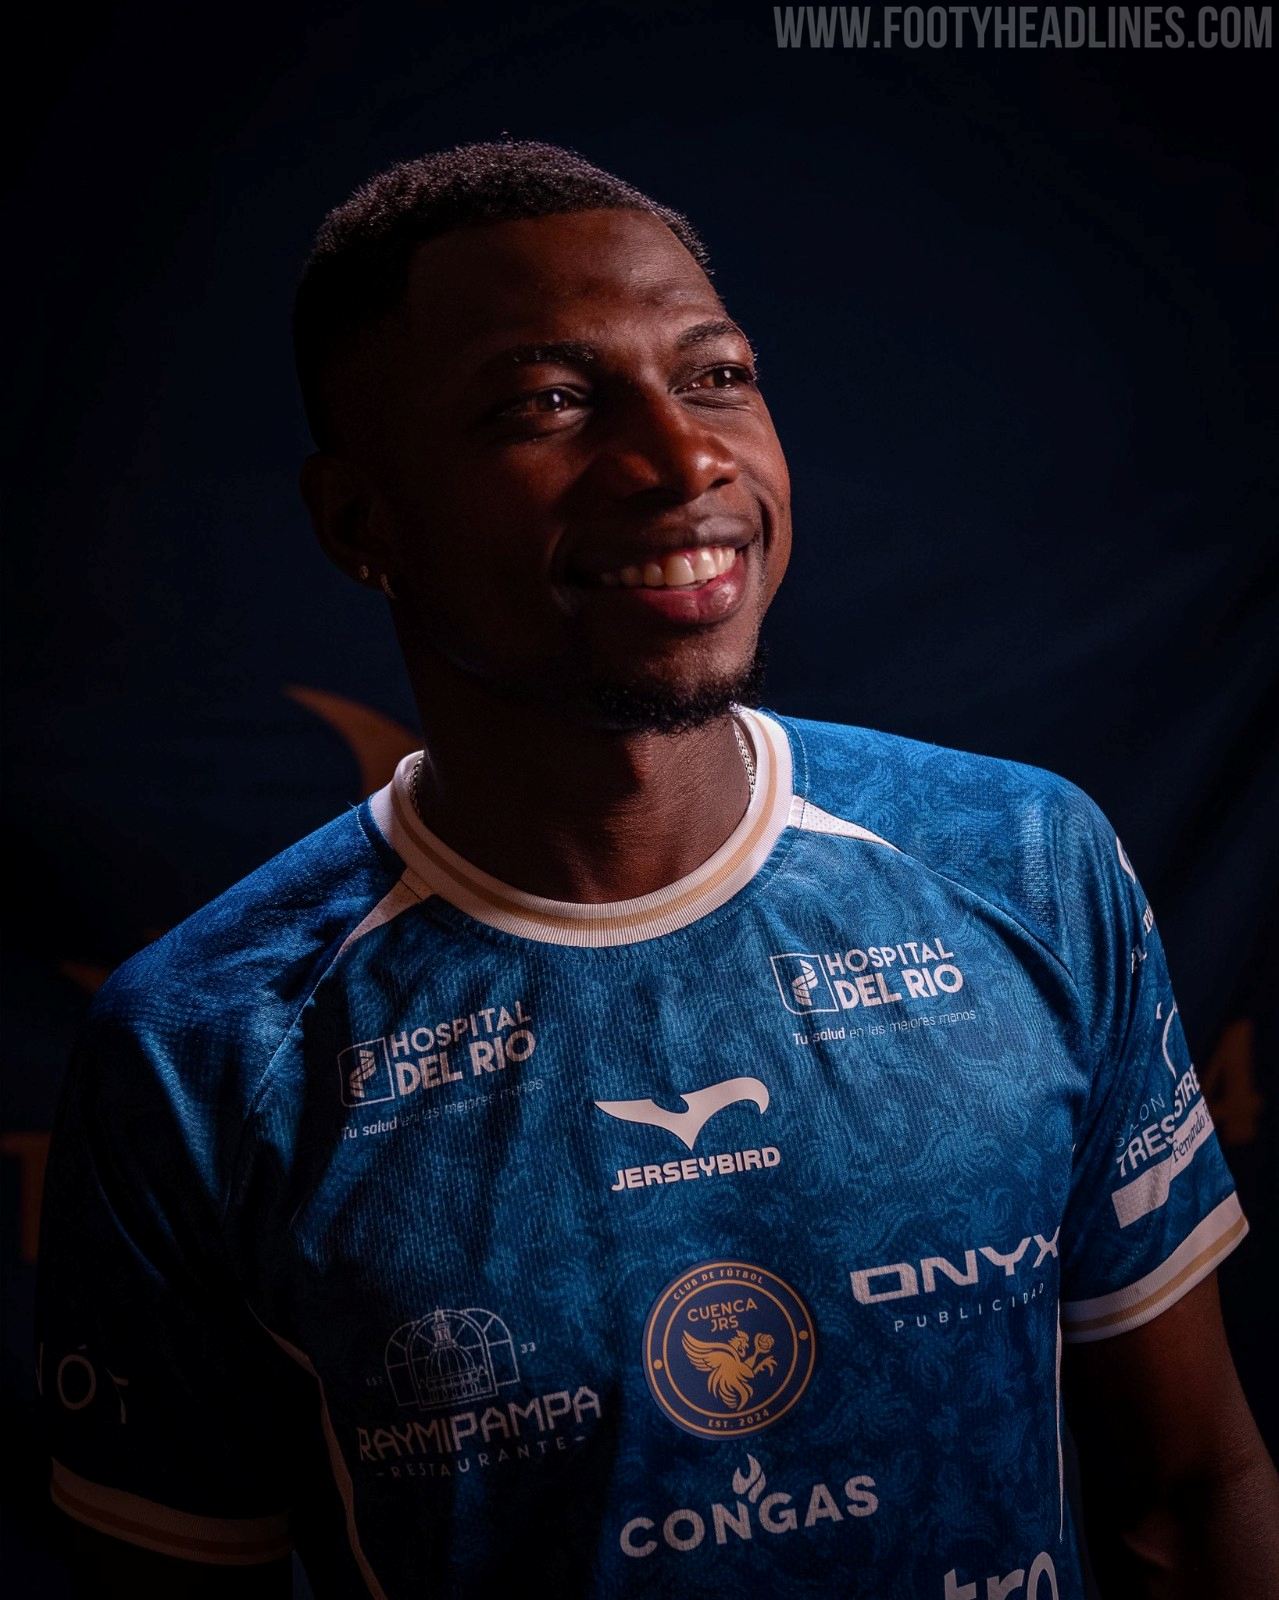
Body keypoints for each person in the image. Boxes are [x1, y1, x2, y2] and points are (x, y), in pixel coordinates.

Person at [36, 140, 1278, 1600]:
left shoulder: (1025, 863)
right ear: (362, 522)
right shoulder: (204, 1046)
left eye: (717, 376)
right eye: (549, 403)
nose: (685, 460)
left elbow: (1194, 1491)